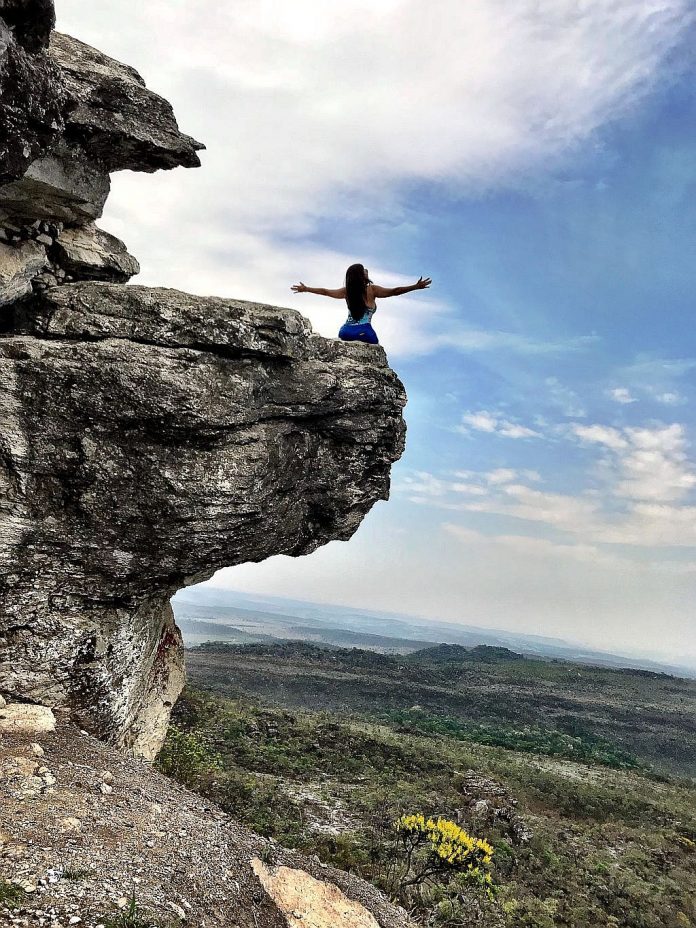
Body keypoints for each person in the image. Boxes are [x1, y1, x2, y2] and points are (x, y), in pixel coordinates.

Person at [291, 263, 431, 345]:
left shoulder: (347, 291)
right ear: (361, 275)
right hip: (365, 331)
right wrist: (415, 286)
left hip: (345, 331)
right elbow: (395, 291)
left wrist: (307, 289)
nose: (366, 270)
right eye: (363, 270)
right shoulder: (372, 290)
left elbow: (325, 292)